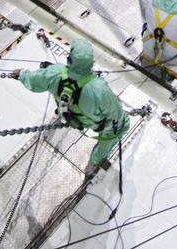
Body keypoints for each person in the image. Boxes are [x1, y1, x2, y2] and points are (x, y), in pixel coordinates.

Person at [12, 38, 128, 170]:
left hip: (70, 115)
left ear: (70, 59)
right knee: (121, 124)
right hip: (93, 123)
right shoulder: (99, 89)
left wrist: (21, 74)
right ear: (92, 63)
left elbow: (33, 81)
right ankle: (95, 160)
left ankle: (95, 157)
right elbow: (116, 116)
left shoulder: (55, 72)